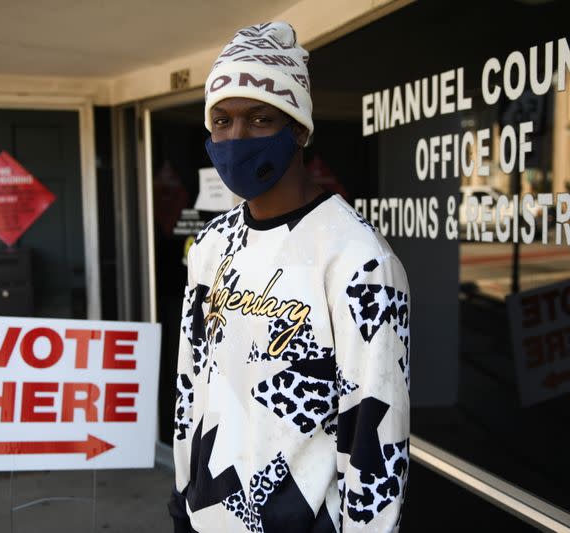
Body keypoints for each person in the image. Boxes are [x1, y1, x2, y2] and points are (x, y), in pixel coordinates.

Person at [169, 21, 410, 533]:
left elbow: (376, 434)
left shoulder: (358, 258)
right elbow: (192, 384)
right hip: (207, 517)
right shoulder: (212, 246)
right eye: (221, 119)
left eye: (259, 118)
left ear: (298, 128)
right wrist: (182, 498)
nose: (235, 137)